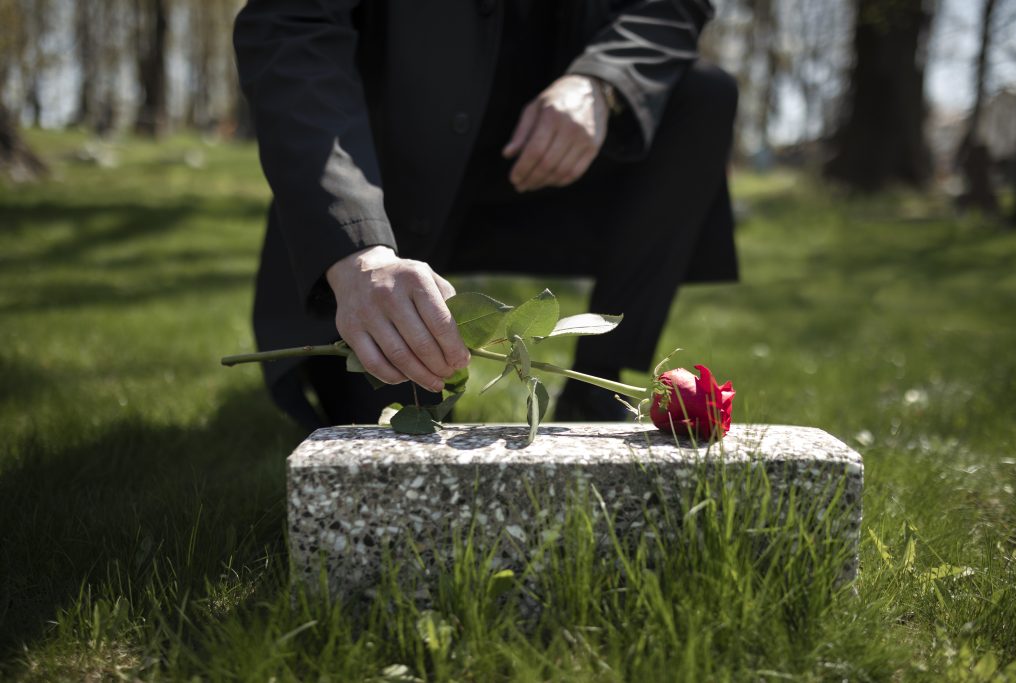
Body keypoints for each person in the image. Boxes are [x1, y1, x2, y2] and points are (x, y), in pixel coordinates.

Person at [233, 0, 739, 430]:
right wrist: (354, 246)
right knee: (391, 416)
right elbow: (291, 28)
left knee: (702, 93)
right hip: (389, 193)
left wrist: (601, 81)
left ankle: (598, 395)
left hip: (550, 174)